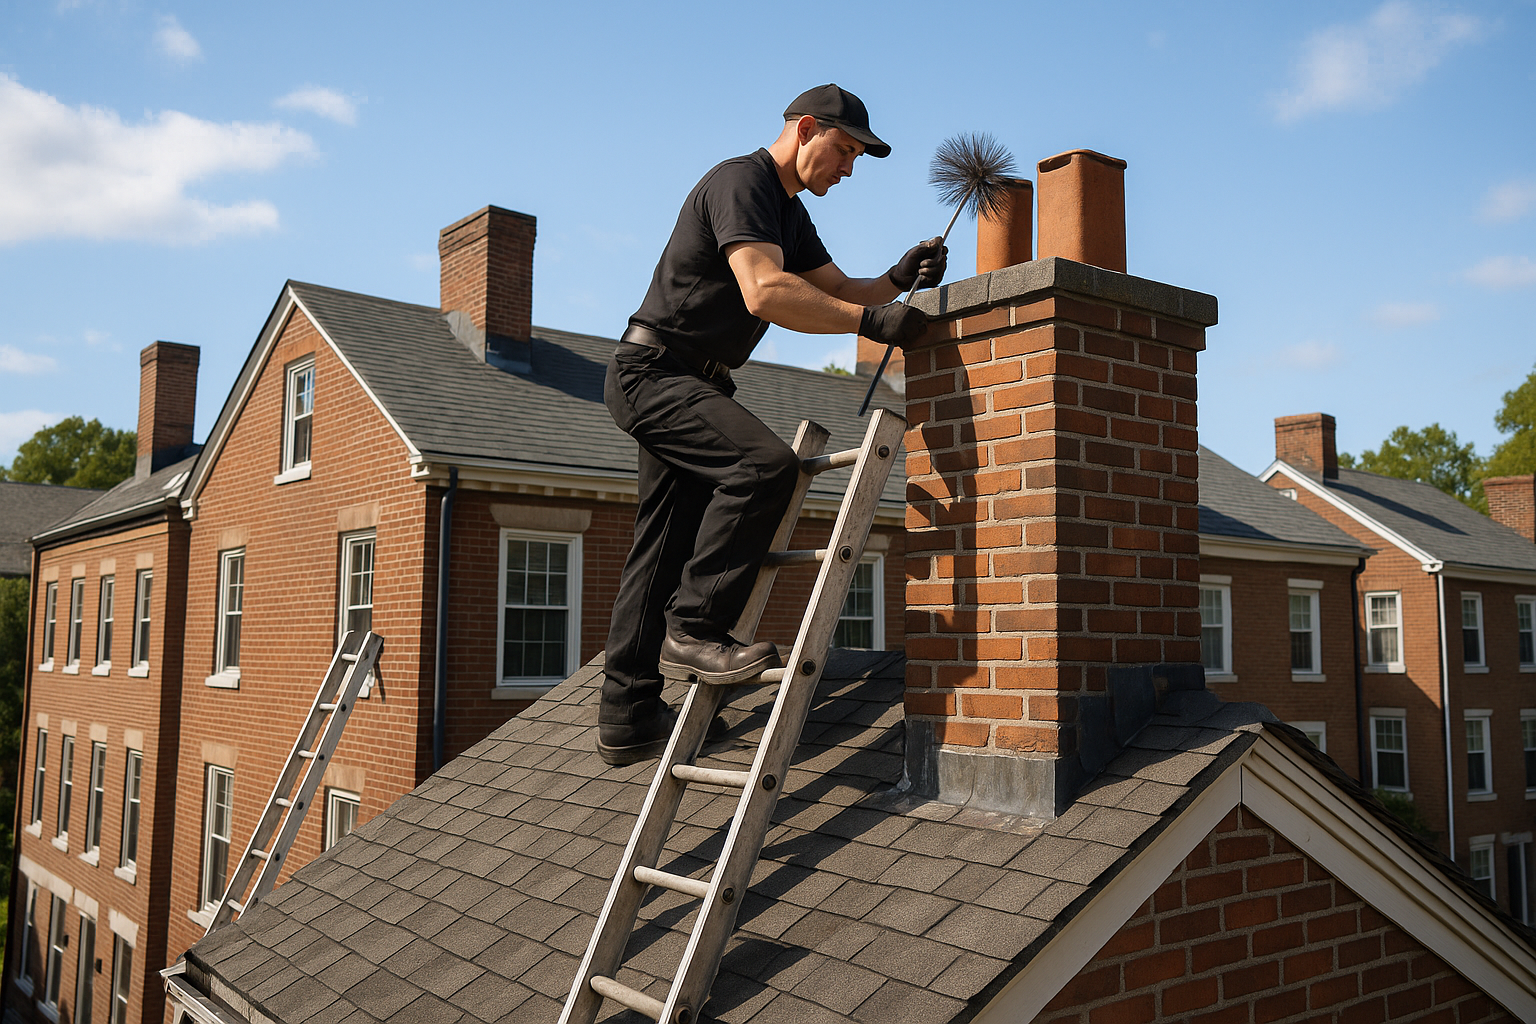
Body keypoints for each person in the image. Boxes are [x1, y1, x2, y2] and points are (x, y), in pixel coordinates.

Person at [598, 84, 946, 766]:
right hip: (657, 373)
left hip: (686, 378)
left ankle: (627, 714)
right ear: (806, 129)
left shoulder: (786, 213)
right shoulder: (742, 181)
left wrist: (895, 279)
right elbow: (764, 290)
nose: (848, 169)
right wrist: (873, 323)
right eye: (844, 150)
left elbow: (838, 292)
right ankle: (694, 627)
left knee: (662, 547)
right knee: (763, 467)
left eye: (856, 158)